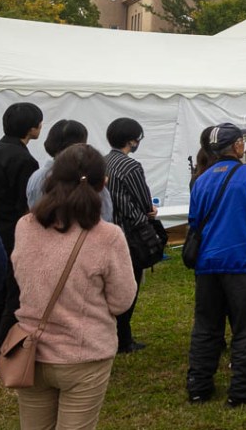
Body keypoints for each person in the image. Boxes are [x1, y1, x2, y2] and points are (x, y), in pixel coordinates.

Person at [11, 144, 137, 429]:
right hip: (84, 354)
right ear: (103, 183)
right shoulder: (108, 236)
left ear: (52, 178)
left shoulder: (25, 226)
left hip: (31, 348)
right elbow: (122, 300)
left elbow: (23, 279)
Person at [186, 122, 246, 406]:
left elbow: (194, 222)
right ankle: (243, 390)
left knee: (206, 327)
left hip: (207, 262)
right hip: (243, 261)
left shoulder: (201, 180)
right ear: (237, 146)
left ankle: (198, 387)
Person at [0, 102, 42, 375]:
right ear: (31, 128)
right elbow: (27, 204)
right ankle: (0, 352)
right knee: (13, 294)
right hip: (13, 232)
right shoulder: (25, 161)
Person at [103, 117, 156, 354]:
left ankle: (111, 332)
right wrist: (150, 211)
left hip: (104, 230)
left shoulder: (102, 162)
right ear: (132, 141)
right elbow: (144, 201)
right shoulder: (130, 166)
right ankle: (123, 337)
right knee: (128, 285)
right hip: (128, 233)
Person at [27, 119, 113, 223]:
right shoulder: (86, 176)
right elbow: (105, 214)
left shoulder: (36, 176)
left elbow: (32, 207)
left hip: (42, 230)